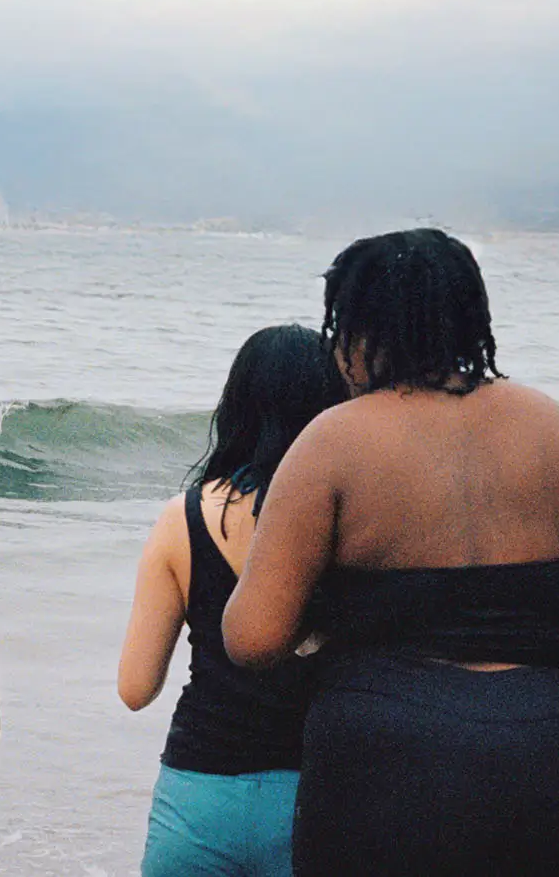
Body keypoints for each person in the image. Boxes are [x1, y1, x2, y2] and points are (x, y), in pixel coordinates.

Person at [222, 229, 559, 877]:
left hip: (385, 747)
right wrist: (531, 624)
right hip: (548, 737)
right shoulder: (553, 424)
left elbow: (254, 636)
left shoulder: (333, 439)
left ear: (358, 331)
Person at [118, 324, 352, 877]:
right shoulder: (353, 521)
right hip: (317, 798)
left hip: (199, 797)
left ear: (235, 405)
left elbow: (135, 688)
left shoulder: (182, 519)